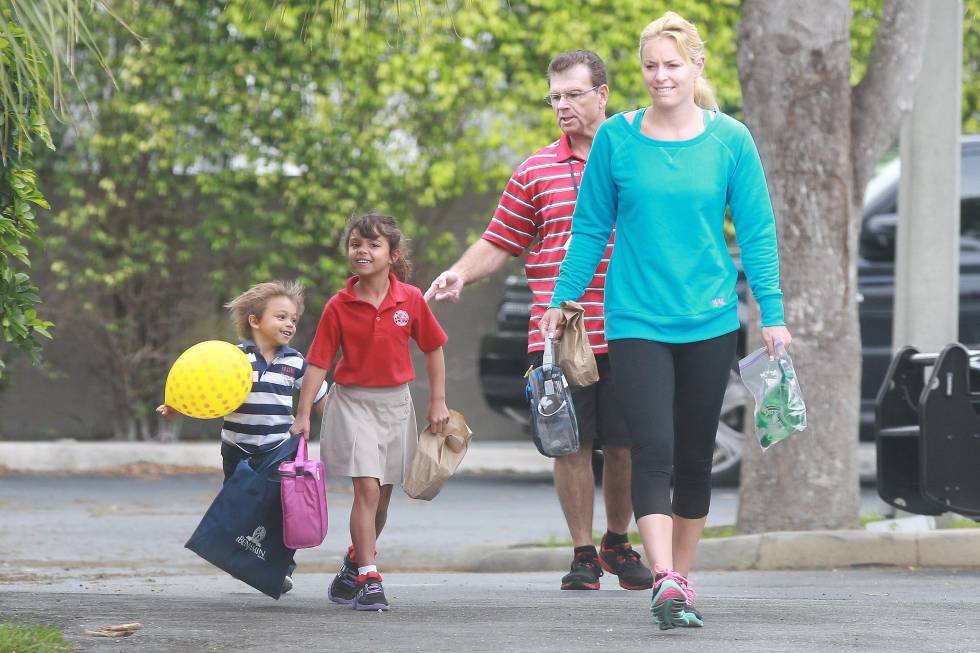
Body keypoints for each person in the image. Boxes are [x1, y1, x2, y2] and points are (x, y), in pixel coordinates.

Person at [541, 11, 793, 630]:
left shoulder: (731, 139)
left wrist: (773, 314)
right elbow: (590, 228)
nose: (660, 76)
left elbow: (758, 233)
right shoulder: (617, 139)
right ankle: (664, 577)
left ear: (696, 66)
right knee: (650, 447)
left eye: (672, 64)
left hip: (710, 320)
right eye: (651, 65)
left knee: (694, 456)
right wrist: (563, 300)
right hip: (635, 320)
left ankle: (680, 577)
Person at [426, 50, 653, 592]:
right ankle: (582, 553)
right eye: (555, 97)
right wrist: (459, 273)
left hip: (630, 325)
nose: (562, 106)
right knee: (568, 442)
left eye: (573, 94)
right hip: (558, 333)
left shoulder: (640, 158)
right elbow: (498, 240)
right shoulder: (535, 169)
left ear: (602, 94)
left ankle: (617, 541)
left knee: (624, 445)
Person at [291, 212, 450, 612]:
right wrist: (303, 413)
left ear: (392, 255)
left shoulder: (410, 299)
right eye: (355, 244)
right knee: (366, 489)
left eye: (373, 245)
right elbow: (319, 363)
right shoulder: (338, 305)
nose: (362, 251)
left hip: (396, 405)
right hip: (352, 404)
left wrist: (437, 401)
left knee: (381, 501)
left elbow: (433, 348)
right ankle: (369, 577)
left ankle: (354, 560)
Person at [158, 280, 329, 594]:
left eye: (293, 319)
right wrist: (175, 408)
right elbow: (202, 386)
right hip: (237, 447)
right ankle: (236, 555)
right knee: (239, 504)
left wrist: (337, 422)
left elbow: (318, 396)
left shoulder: (295, 362)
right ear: (255, 321)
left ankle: (279, 568)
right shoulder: (233, 359)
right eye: (281, 317)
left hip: (277, 447)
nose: (290, 324)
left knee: (280, 508)